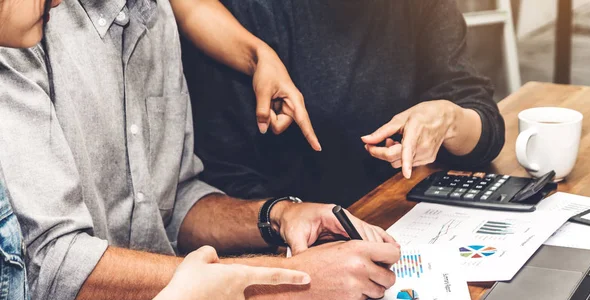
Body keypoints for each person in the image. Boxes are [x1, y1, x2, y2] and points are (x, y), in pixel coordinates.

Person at [0, 0, 399, 300]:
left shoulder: (157, 18)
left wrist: (280, 217)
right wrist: (283, 282)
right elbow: (51, 268)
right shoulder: (20, 26)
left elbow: (174, 201)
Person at [183, 0, 507, 207]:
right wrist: (289, 220)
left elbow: (485, 129)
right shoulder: (247, 14)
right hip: (293, 247)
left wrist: (450, 121)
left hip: (400, 215)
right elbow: (224, 181)